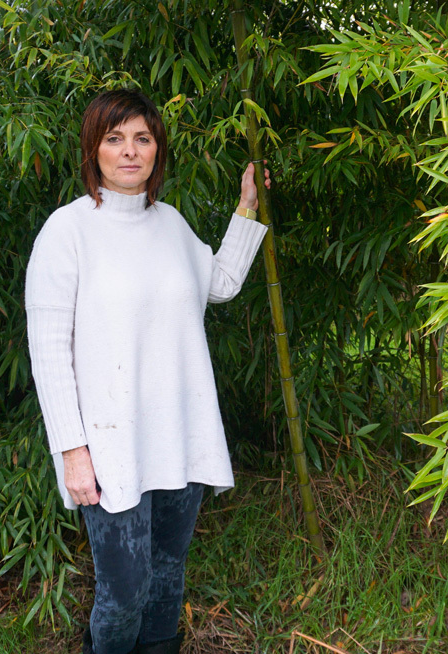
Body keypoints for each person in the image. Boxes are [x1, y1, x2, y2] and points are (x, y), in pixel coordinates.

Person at [25, 89, 271, 654]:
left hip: (179, 436)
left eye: (142, 138)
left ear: (157, 150)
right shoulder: (67, 232)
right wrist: (72, 451)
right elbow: (48, 353)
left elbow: (219, 285)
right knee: (125, 588)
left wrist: (247, 209)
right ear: (94, 149)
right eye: (115, 139)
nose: (129, 151)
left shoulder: (171, 224)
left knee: (166, 578)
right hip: (111, 448)